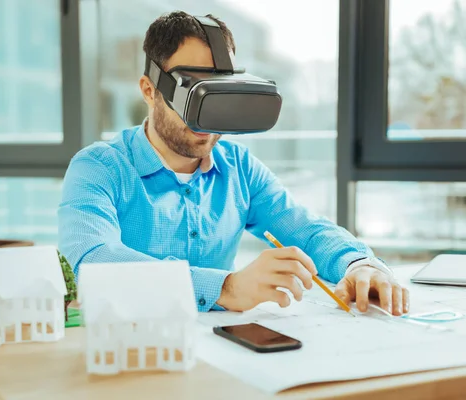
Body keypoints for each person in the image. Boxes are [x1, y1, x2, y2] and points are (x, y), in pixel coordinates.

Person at [58, 11, 409, 316]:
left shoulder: (238, 167)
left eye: (215, 93)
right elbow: (93, 262)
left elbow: (304, 227)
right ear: (150, 91)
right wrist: (226, 288)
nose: (203, 118)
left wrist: (360, 264)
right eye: (189, 92)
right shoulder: (98, 168)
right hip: (132, 348)